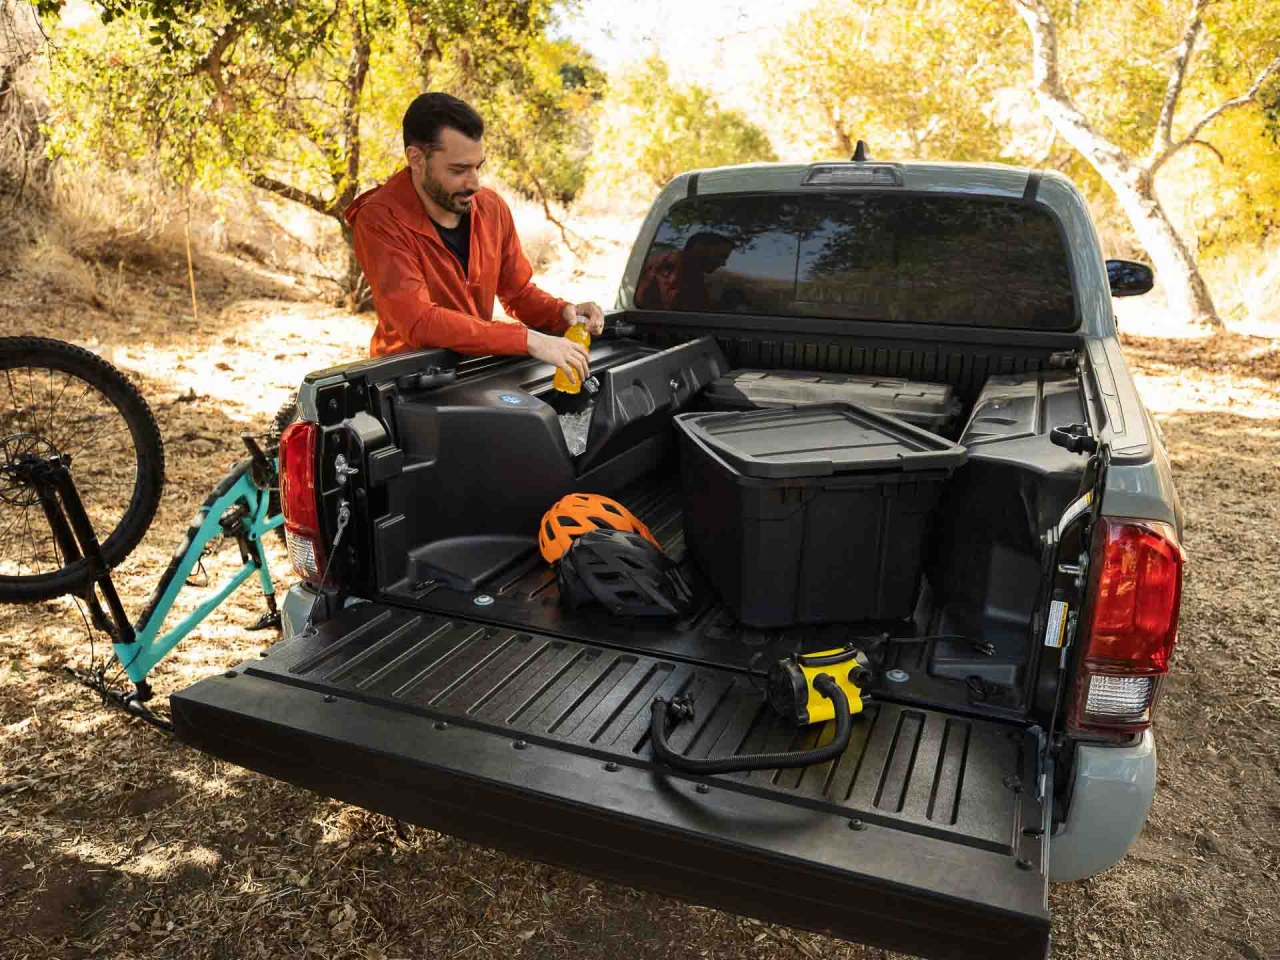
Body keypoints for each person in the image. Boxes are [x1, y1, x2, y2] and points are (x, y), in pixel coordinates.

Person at [345, 93, 603, 384]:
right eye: (459, 170)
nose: (474, 184)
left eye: (478, 167)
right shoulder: (379, 219)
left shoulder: (492, 208)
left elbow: (517, 293)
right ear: (416, 159)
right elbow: (419, 321)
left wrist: (562, 312)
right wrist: (527, 340)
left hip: (473, 372)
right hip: (407, 384)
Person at [635, 231, 735, 311]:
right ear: (699, 247)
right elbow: (677, 310)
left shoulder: (693, 272)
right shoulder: (676, 268)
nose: (723, 263)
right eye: (721, 256)